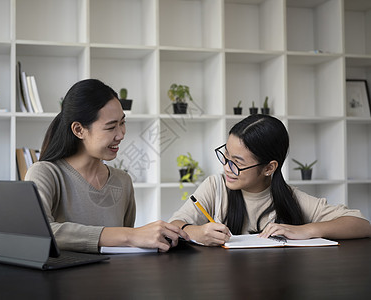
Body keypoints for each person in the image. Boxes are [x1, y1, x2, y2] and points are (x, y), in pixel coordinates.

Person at [25, 79, 189, 253]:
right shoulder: (45, 173)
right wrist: (129, 235)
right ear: (79, 130)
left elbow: (123, 251)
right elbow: (40, 232)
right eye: (111, 127)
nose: (120, 135)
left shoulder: (123, 181)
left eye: (122, 123)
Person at [170, 114, 371, 246]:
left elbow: (361, 224)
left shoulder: (290, 198)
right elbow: (175, 224)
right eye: (226, 156)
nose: (226, 167)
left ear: (269, 168)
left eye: (237, 162)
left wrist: (305, 230)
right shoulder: (216, 187)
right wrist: (195, 231)